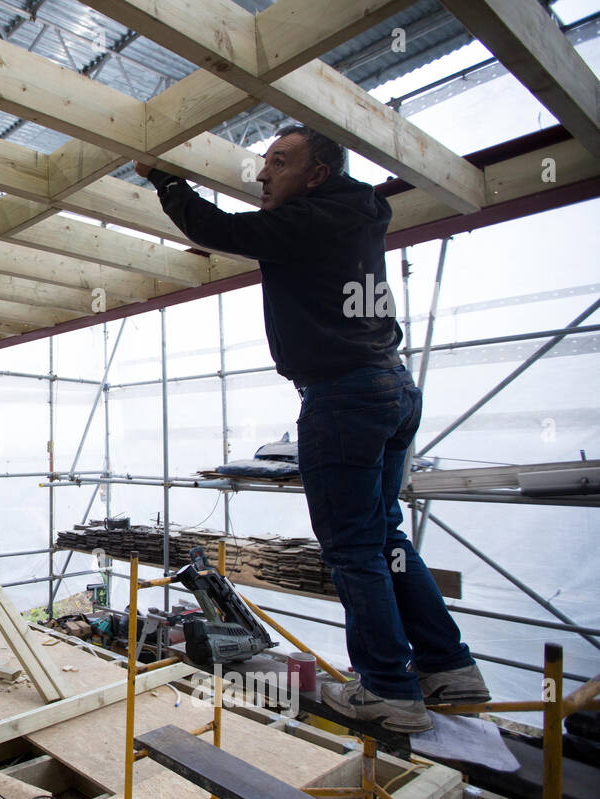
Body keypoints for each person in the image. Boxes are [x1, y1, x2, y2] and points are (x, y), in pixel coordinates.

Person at [135, 126, 489, 733]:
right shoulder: (354, 213)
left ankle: (388, 691)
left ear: (317, 174)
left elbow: (220, 229)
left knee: (353, 549)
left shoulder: (308, 221)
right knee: (380, 538)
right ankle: (448, 668)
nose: (263, 174)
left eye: (279, 162)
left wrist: (164, 178)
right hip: (390, 387)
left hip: (345, 394)